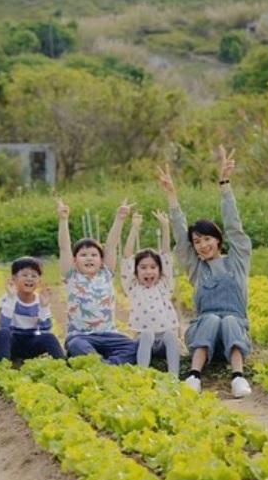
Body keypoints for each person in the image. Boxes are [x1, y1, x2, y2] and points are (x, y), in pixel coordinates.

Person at [159, 147, 252, 397]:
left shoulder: (237, 261)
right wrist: (172, 195)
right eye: (197, 242)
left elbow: (235, 227)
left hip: (235, 334)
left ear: (218, 240)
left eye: (207, 239)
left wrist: (224, 184)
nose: (202, 245)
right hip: (203, 334)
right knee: (211, 318)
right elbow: (180, 238)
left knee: (230, 320)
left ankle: (238, 377)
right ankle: (194, 375)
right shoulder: (196, 269)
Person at [58, 197, 138, 365]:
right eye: (83, 255)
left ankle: (103, 364)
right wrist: (63, 220)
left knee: (134, 347)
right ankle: (103, 363)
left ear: (101, 260)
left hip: (109, 335)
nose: (89, 258)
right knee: (76, 345)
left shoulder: (106, 274)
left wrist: (120, 218)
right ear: (74, 260)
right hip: (81, 336)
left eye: (94, 255)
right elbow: (64, 247)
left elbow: (111, 246)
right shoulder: (72, 276)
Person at [121, 210, 180, 377]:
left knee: (170, 334)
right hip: (142, 340)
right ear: (136, 271)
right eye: (143, 267)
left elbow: (166, 255)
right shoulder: (133, 287)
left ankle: (174, 376)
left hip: (161, 341)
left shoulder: (163, 286)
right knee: (147, 332)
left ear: (160, 271)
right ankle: (142, 374)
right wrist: (134, 228)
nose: (148, 271)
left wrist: (165, 226)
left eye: (153, 267)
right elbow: (126, 257)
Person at [0, 256, 65, 363]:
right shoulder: (7, 298)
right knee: (3, 333)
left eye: (34, 276)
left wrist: (44, 307)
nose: (29, 278)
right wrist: (11, 298)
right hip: (12, 343)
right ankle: (2, 365)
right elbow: (3, 325)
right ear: (14, 279)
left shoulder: (39, 300)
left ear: (39, 280)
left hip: (31, 344)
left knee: (49, 337)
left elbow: (45, 330)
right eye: (25, 275)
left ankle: (63, 364)